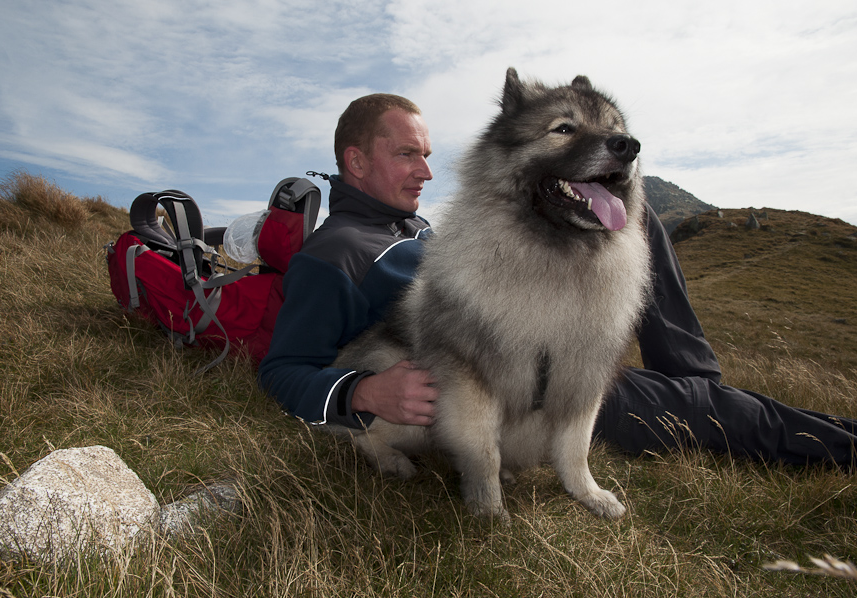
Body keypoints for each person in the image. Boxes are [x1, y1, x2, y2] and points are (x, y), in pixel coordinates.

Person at [258, 93, 857, 467]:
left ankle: (692, 378)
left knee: (629, 221)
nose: (427, 171)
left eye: (428, 154)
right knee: (712, 415)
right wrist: (362, 393)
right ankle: (831, 442)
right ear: (356, 161)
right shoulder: (334, 253)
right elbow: (283, 368)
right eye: (408, 155)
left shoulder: (411, 225)